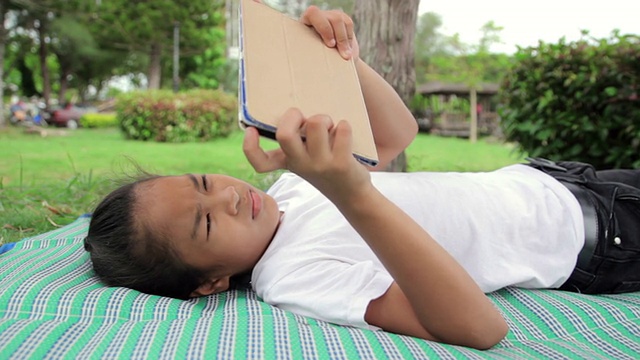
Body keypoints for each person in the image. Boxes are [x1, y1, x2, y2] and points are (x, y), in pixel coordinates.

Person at [84, 6, 640, 350]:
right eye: (206, 224)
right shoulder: (293, 277)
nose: (229, 196)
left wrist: (341, 59)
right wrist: (354, 197)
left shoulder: (294, 186)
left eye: (206, 182)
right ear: (210, 283)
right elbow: (482, 330)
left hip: (553, 181)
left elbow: (395, 136)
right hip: (594, 241)